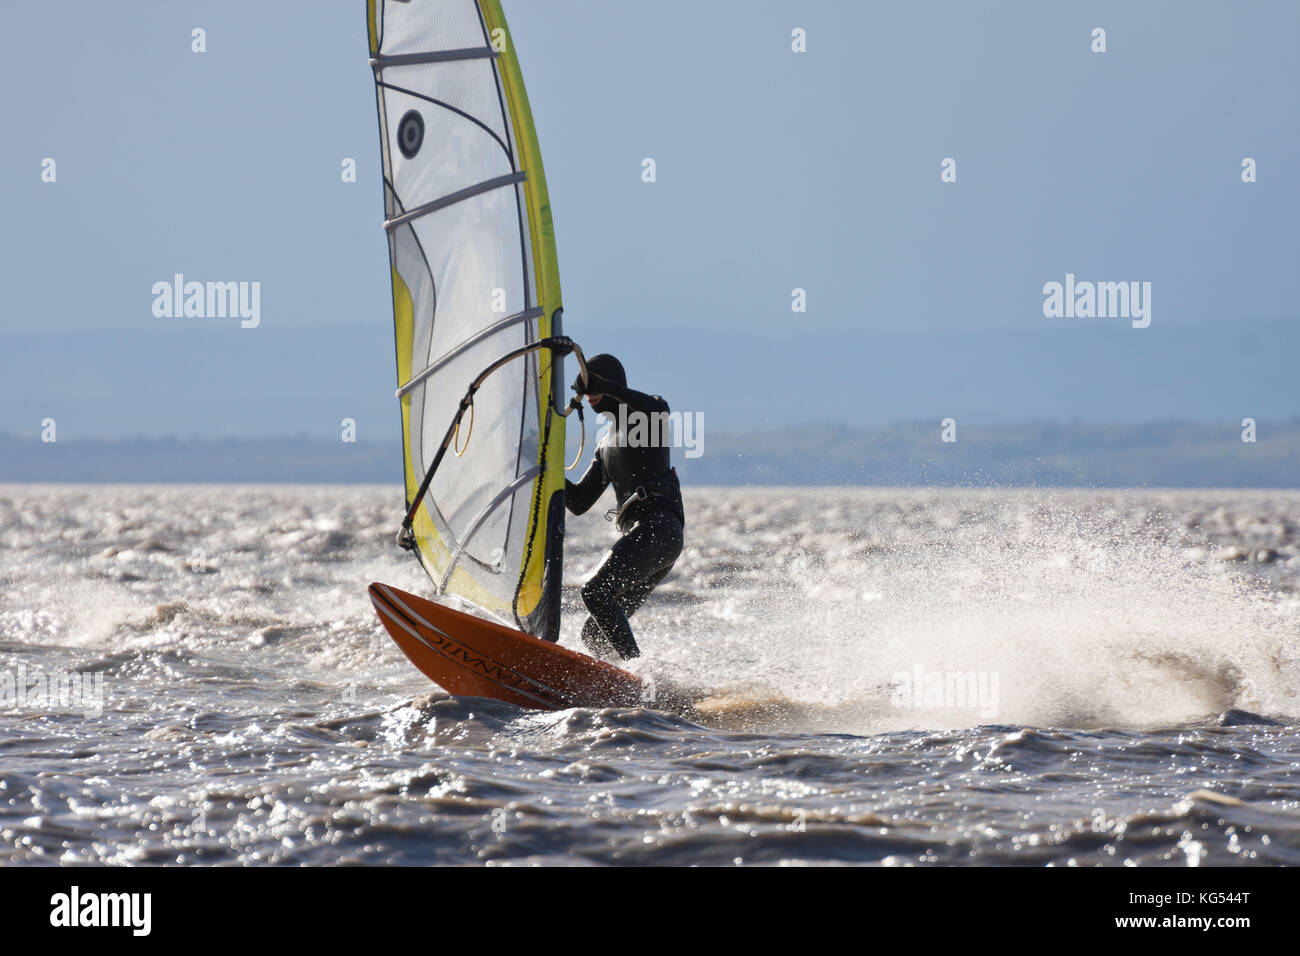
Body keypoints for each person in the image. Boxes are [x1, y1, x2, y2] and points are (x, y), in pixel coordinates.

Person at [565, 354, 685, 660]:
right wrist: (543, 466)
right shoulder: (605, 444)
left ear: (613, 385)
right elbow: (579, 502)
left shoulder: (646, 418)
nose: (589, 392)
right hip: (648, 536)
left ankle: (638, 677)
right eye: (587, 386)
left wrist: (606, 386)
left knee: (594, 592)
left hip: (660, 528)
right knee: (594, 633)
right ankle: (619, 690)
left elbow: (658, 408)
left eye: (596, 384)